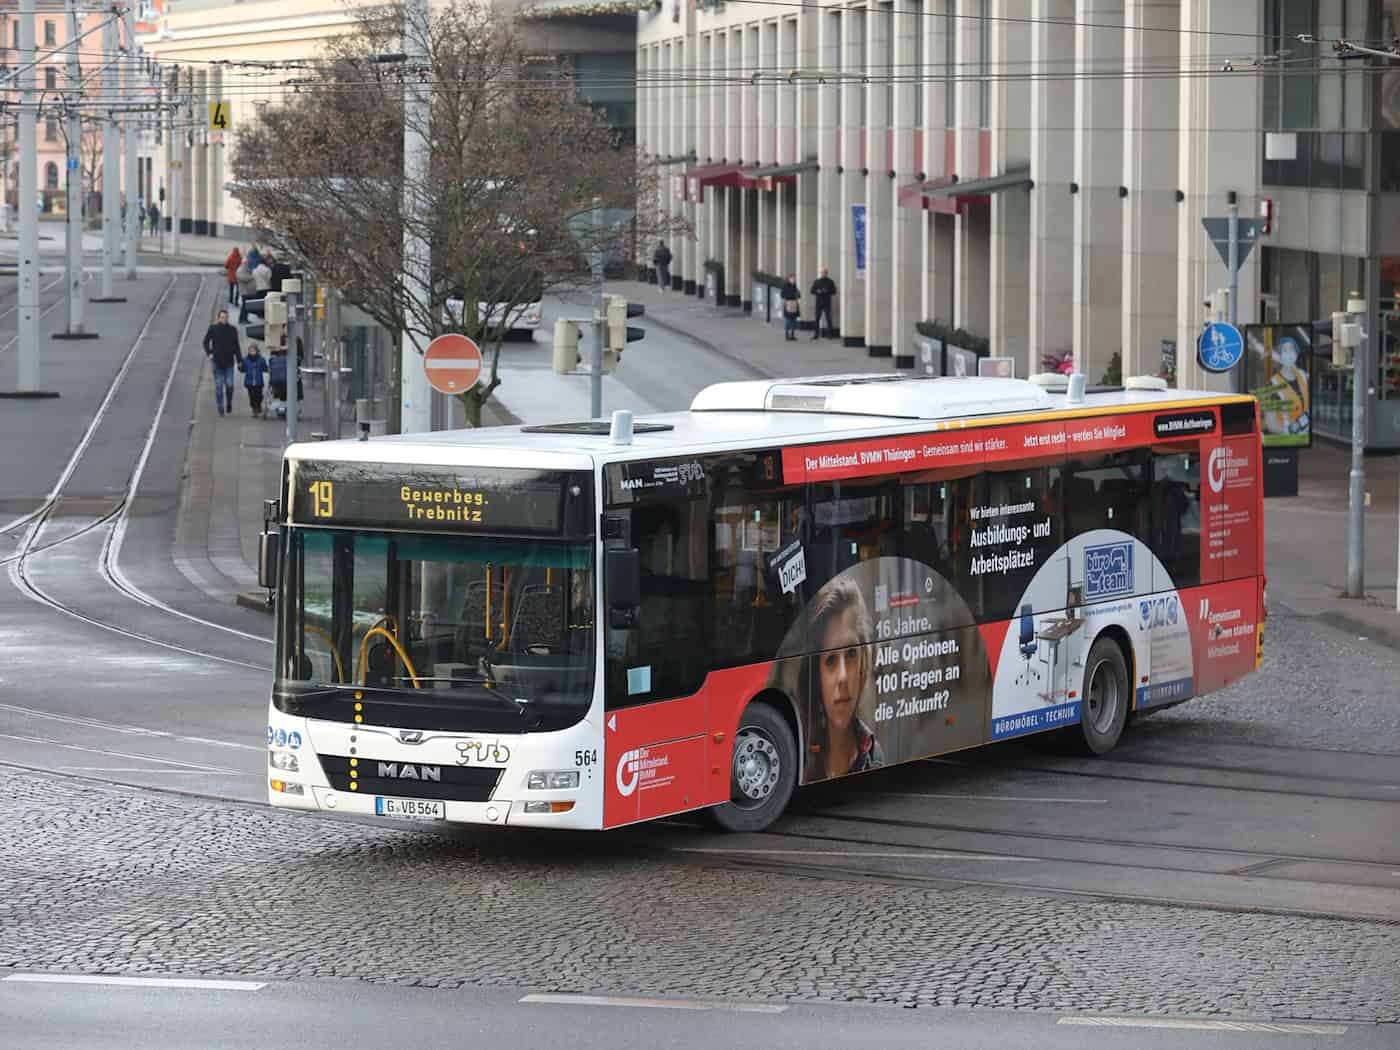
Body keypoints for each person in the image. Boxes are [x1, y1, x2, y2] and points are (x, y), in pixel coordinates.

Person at [801, 576, 883, 782]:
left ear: (864, 659)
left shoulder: (875, 755)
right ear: (816, 674)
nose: (843, 676)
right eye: (830, 660)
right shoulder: (802, 759)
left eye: (851, 654)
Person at [202, 308, 242, 417]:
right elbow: (205, 342)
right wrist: (209, 353)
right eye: (222, 317)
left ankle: (228, 402)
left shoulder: (232, 330)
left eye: (226, 317)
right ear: (219, 318)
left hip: (229, 362)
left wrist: (239, 360)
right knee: (219, 387)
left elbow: (236, 346)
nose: (224, 319)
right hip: (217, 362)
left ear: (228, 318)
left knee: (230, 385)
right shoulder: (213, 328)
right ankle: (220, 407)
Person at [238, 342, 269, 417]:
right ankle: (254, 409)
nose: (252, 352)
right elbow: (243, 370)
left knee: (259, 396)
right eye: (250, 351)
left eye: (253, 350)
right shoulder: (245, 360)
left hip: (259, 382)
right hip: (249, 382)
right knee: (252, 396)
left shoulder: (261, 359)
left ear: (257, 351)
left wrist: (268, 369)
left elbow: (265, 368)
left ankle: (258, 406)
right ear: (248, 351)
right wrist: (240, 367)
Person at [810, 267, 837, 339]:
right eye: (822, 272)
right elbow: (812, 291)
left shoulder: (830, 281)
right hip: (819, 302)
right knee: (817, 318)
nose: (823, 274)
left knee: (828, 318)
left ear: (827, 273)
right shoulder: (817, 281)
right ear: (820, 273)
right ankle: (816, 334)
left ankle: (829, 335)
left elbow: (834, 291)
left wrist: (827, 291)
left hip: (827, 302)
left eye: (825, 272)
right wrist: (817, 291)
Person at [779, 274, 801, 341]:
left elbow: (799, 295)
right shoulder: (785, 286)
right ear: (789, 279)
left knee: (794, 320)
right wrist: (791, 295)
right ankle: (787, 334)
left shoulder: (795, 286)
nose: (794, 280)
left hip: (794, 304)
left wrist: (797, 294)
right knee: (788, 320)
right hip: (788, 303)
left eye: (794, 279)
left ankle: (792, 335)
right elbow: (782, 295)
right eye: (792, 279)